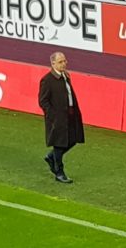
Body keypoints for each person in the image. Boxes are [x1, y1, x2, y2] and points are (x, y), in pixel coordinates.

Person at [38, 52, 85, 184]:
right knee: (59, 144)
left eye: (64, 61)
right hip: (58, 118)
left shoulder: (66, 76)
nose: (64, 63)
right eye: (60, 62)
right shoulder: (47, 80)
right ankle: (59, 172)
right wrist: (53, 116)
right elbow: (43, 101)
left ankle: (51, 157)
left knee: (73, 139)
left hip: (70, 115)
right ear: (53, 64)